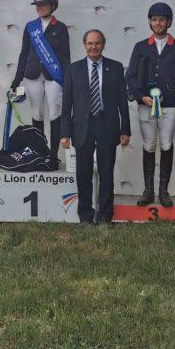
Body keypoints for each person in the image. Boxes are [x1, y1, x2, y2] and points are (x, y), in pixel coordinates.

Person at [60, 30, 131, 225]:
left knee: (106, 172)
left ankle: (105, 216)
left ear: (103, 45)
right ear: (84, 45)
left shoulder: (115, 68)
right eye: (90, 43)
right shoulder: (73, 69)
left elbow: (122, 103)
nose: (94, 47)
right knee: (83, 174)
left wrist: (125, 129)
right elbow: (66, 105)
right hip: (82, 127)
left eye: (97, 43)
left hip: (107, 125)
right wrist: (65, 133)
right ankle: (85, 216)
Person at [125, 2, 175, 207]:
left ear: (169, 22)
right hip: (146, 103)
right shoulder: (141, 46)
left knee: (166, 144)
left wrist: (174, 88)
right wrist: (140, 96)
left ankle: (163, 191)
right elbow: (131, 76)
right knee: (149, 145)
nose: (158, 23)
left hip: (169, 104)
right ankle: (148, 190)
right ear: (150, 22)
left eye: (162, 19)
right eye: (154, 19)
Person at [10, 0, 70, 160]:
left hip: (54, 75)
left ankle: (53, 154)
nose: (40, 7)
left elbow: (65, 56)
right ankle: (40, 150)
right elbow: (24, 53)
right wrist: (17, 79)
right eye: (38, 5)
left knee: (54, 113)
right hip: (32, 74)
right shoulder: (31, 27)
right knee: (37, 114)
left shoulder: (60, 27)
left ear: (53, 6)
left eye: (43, 4)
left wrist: (67, 78)